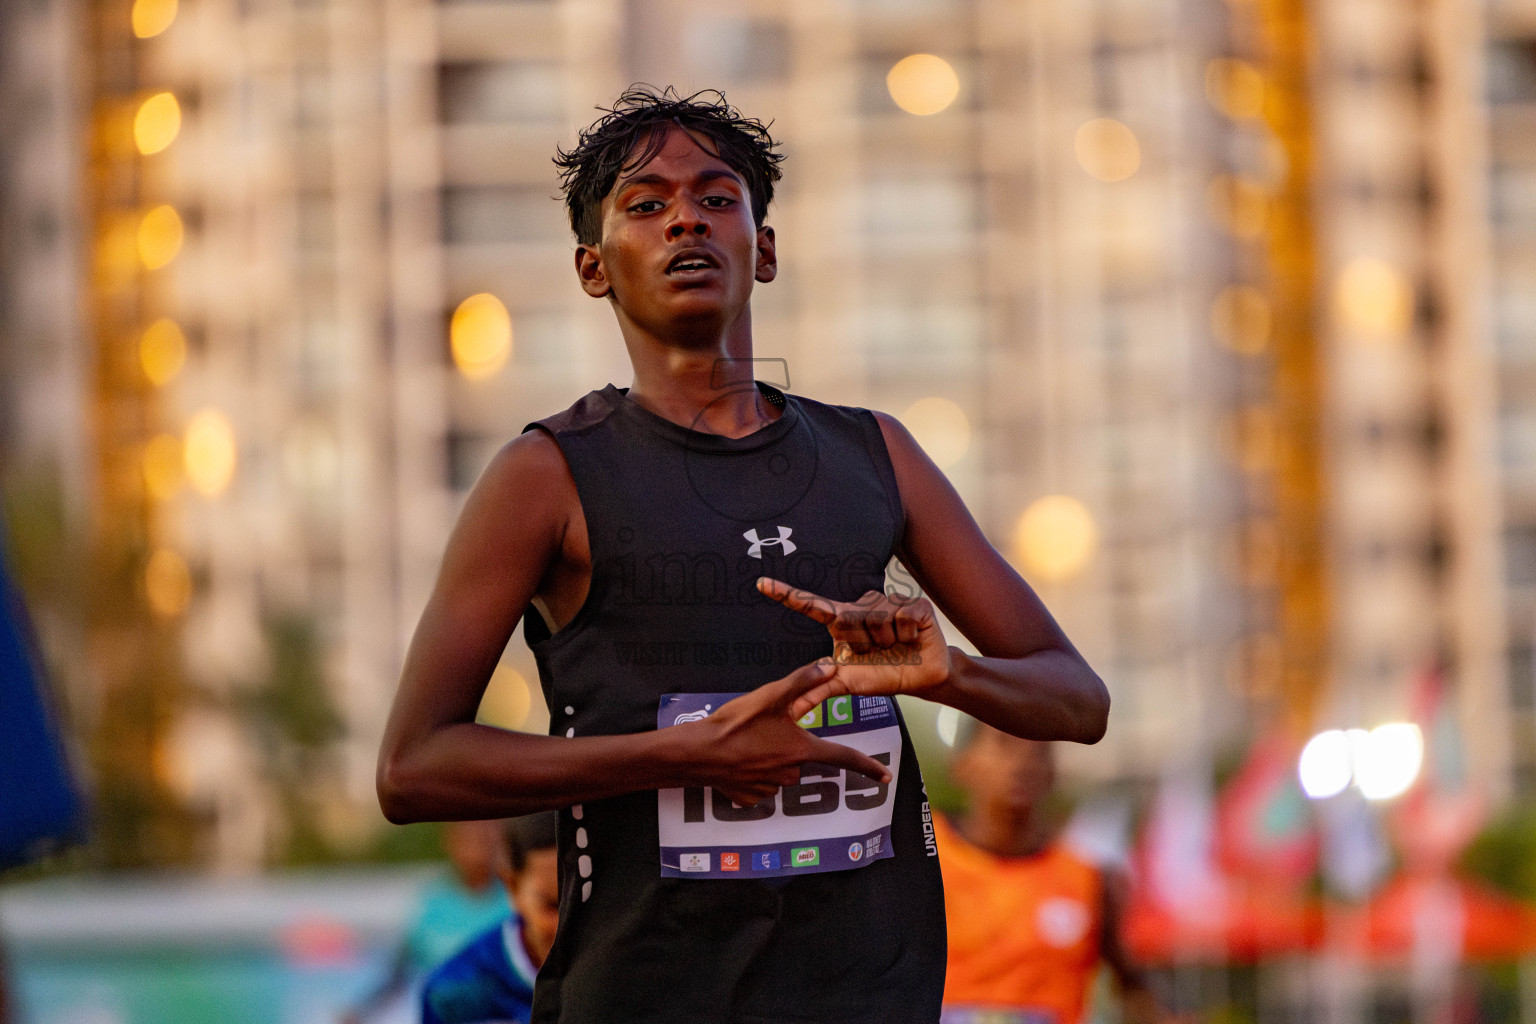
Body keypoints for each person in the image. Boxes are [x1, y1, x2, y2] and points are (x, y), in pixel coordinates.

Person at [376, 86, 1110, 1024]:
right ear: (593, 268)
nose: (686, 215)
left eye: (717, 198)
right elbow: (412, 768)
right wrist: (682, 756)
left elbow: (1077, 701)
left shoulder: (876, 455)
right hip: (646, 997)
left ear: (763, 250)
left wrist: (948, 675)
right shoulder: (545, 475)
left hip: (871, 998)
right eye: (646, 205)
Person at [937, 724, 1170, 1024]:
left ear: (1054, 773)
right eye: (1004, 745)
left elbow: (1133, 985)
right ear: (962, 765)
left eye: (1039, 752)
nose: (1022, 762)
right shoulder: (920, 864)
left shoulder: (1087, 880)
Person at [421, 812, 560, 1024]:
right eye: (552, 905)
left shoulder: (617, 969)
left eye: (586, 904)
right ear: (513, 888)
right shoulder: (453, 992)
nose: (566, 924)